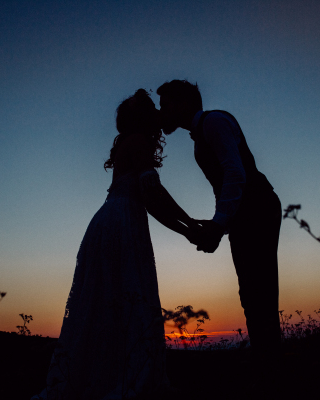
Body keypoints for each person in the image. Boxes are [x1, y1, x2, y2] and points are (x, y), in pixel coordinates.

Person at [34, 89, 198, 400]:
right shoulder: (137, 142)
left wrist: (186, 226)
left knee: (108, 301)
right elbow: (153, 196)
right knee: (126, 297)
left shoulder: (128, 142)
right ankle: (126, 377)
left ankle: (105, 372)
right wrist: (189, 226)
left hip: (113, 219)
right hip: (121, 224)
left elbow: (151, 200)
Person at [157, 80, 282, 384]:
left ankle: (271, 366)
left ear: (183, 103)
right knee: (251, 289)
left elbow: (235, 172)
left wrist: (218, 224)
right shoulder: (201, 134)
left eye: (166, 105)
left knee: (259, 287)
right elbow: (222, 184)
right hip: (244, 214)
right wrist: (219, 226)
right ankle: (266, 359)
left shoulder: (214, 122)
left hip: (258, 208)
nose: (163, 113)